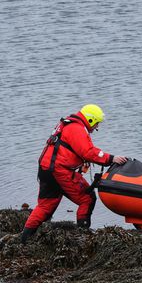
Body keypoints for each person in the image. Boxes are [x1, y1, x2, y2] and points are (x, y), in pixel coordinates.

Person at [21, 104, 127, 244]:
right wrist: (111, 158)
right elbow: (87, 152)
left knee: (45, 205)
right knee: (87, 198)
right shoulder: (76, 128)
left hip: (46, 169)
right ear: (90, 120)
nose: (96, 128)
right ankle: (82, 235)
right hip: (59, 171)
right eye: (96, 123)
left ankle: (25, 239)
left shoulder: (69, 124)